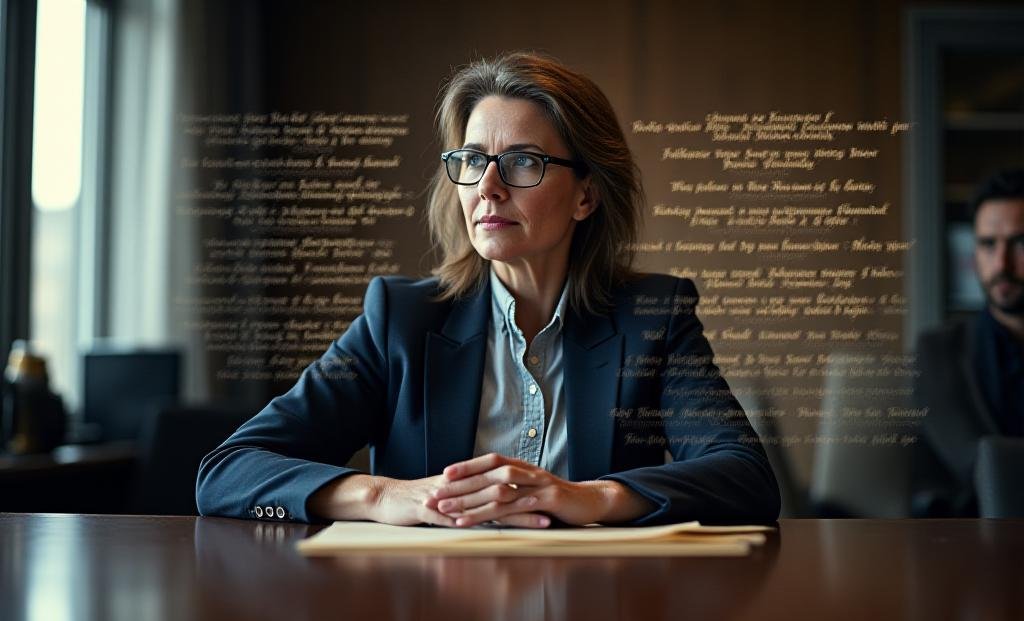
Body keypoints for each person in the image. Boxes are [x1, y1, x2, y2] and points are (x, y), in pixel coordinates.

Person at [196, 52, 780, 528]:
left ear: (587, 195)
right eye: (473, 160)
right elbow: (227, 472)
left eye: (522, 161)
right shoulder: (399, 319)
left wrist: (591, 498)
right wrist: (384, 497)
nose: (488, 187)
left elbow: (745, 477)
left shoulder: (654, 316)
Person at [913, 168, 1024, 516]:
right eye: (988, 244)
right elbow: (970, 464)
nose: (1001, 263)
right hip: (973, 541)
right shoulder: (938, 352)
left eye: (1020, 243)